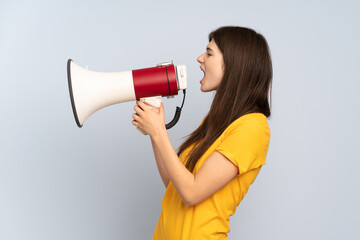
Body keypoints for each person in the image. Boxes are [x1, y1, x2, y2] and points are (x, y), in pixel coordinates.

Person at [132, 26, 272, 240]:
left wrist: (159, 131)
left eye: (209, 53)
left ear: (235, 63)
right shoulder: (217, 122)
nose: (200, 59)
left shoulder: (253, 127)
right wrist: (154, 131)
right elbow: (174, 184)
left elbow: (192, 193)